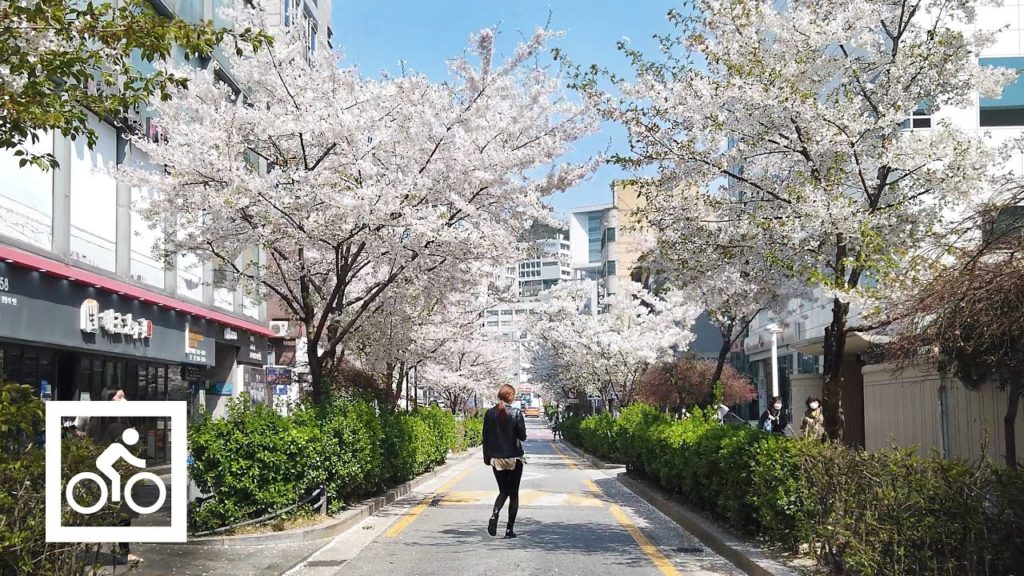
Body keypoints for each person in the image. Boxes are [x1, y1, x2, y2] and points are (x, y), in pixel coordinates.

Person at [101, 389, 143, 565]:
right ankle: (124, 552)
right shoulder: (118, 427)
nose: (124, 400)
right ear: (109, 400)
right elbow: (138, 447)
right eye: (120, 397)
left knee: (112, 513)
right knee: (123, 515)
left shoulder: (97, 423)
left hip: (105, 475)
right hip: (120, 475)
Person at [482, 383, 526, 539]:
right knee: (513, 494)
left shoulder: (489, 413)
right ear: (511, 397)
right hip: (514, 458)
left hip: (496, 460)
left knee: (503, 491)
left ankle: (495, 513)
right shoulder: (515, 413)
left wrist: (487, 458)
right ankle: (509, 530)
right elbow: (522, 436)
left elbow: (485, 438)